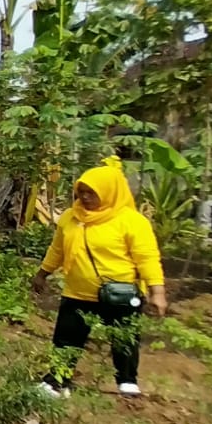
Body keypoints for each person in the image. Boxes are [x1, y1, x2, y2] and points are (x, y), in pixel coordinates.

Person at [32, 157, 166, 397]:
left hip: (120, 295)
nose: (84, 197)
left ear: (109, 192)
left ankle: (127, 381)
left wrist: (158, 292)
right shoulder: (71, 218)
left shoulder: (132, 222)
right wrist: (42, 274)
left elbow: (147, 258)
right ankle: (58, 380)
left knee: (123, 337)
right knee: (66, 338)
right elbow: (57, 250)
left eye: (91, 193)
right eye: (81, 192)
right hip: (77, 292)